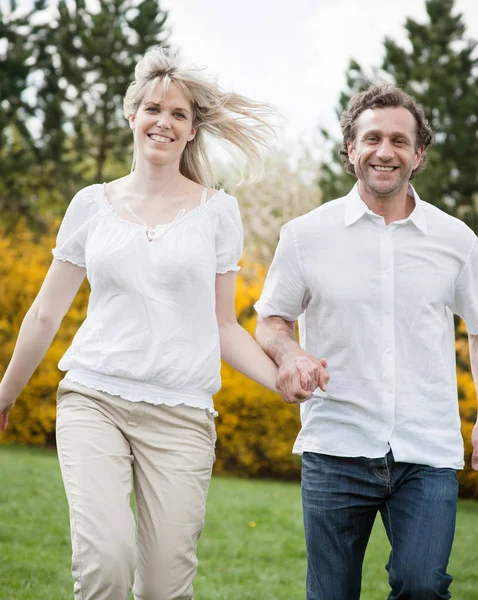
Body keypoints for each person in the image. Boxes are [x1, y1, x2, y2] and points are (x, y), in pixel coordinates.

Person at [0, 48, 311, 600]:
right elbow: (47, 311)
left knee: (165, 587)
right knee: (105, 564)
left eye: (177, 115)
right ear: (132, 115)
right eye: (152, 109)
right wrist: (6, 394)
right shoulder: (91, 205)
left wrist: (286, 383)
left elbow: (225, 328)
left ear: (192, 131)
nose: (162, 122)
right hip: (94, 399)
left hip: (182, 416)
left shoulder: (217, 212)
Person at [255, 84, 478, 600]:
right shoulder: (305, 235)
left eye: (400, 141)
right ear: (351, 149)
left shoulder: (456, 240)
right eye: (372, 138)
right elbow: (270, 321)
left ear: (418, 153)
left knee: (422, 585)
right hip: (336, 447)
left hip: (427, 450)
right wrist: (291, 354)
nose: (385, 151)